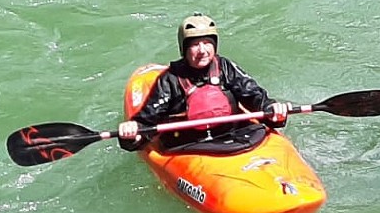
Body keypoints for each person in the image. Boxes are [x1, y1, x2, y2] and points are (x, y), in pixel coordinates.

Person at [118, 14, 289, 151]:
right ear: (184, 49)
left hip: (234, 135)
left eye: (207, 43)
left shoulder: (225, 67)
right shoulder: (170, 79)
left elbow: (252, 95)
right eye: (195, 44)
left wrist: (270, 108)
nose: (202, 50)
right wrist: (134, 132)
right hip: (189, 145)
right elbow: (148, 120)